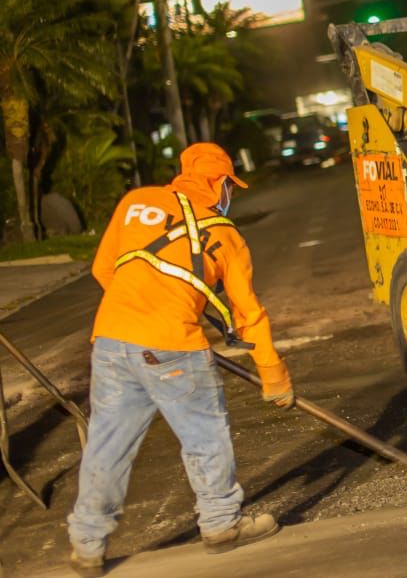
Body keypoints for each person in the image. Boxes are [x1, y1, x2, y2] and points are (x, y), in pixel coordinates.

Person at [67, 143, 293, 577]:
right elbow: (247, 313)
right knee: (204, 435)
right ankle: (221, 524)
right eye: (230, 186)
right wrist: (273, 373)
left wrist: (141, 305)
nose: (230, 194)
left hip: (112, 338)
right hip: (173, 344)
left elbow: (103, 270)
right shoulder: (226, 235)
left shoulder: (136, 202)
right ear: (220, 183)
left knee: (107, 443)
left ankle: (87, 544)